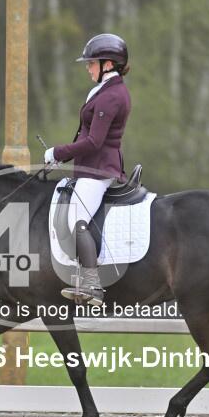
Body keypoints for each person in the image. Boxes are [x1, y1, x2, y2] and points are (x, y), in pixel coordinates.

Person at [44, 33, 131, 306]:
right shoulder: (105, 90)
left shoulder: (111, 96)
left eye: (92, 63)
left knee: (77, 220)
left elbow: (94, 141)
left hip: (99, 169)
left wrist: (58, 152)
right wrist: (65, 158)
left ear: (108, 64)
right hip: (91, 166)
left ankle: (92, 284)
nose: (88, 68)